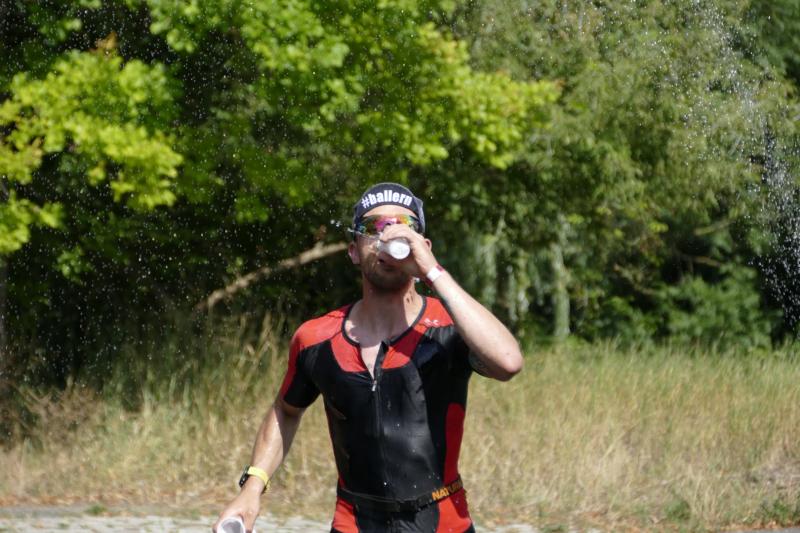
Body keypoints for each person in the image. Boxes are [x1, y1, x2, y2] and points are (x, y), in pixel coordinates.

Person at [213, 183, 524, 533]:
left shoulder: (450, 329)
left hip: (443, 523)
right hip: (354, 523)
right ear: (354, 252)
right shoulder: (316, 338)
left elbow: (508, 362)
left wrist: (432, 272)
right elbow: (286, 410)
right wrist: (252, 488)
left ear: (423, 245)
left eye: (403, 226)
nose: (388, 235)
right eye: (373, 227)